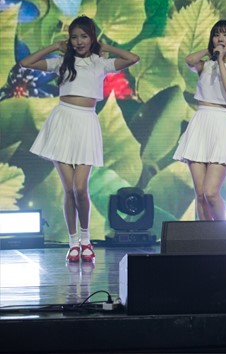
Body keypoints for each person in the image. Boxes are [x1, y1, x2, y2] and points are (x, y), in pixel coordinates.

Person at [20, 16, 140, 263]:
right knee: (68, 189)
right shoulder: (62, 62)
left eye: (84, 36)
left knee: (80, 188)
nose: (79, 41)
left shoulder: (100, 63)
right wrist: (55, 46)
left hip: (86, 124)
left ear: (92, 38)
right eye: (74, 37)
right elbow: (26, 62)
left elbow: (132, 58)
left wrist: (105, 47)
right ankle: (73, 242)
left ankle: (86, 240)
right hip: (62, 122)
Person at [173, 20, 226, 221]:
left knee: (211, 192)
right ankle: (205, 235)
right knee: (200, 194)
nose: (220, 38)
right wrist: (210, 52)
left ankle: (223, 234)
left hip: (222, 123)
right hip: (201, 121)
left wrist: (221, 61)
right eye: (216, 34)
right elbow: (189, 60)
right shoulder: (205, 65)